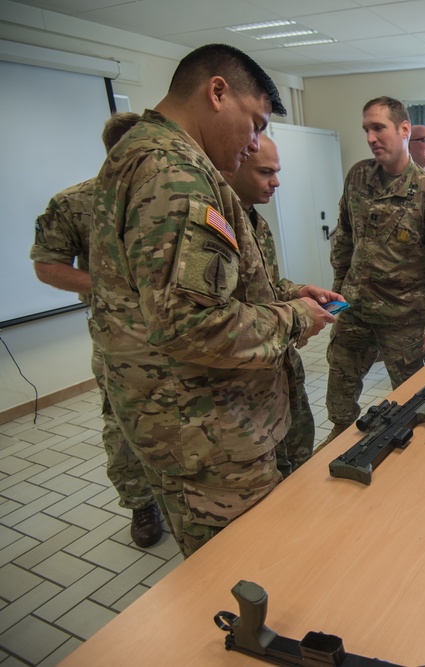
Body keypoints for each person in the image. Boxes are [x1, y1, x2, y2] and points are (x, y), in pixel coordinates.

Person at [89, 44, 339, 557]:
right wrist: (295, 318)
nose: (254, 144)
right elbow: (192, 325)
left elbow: (201, 290)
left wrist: (290, 293)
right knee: (246, 573)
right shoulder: (177, 174)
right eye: (255, 122)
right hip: (206, 433)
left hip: (190, 423)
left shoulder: (142, 154)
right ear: (217, 92)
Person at [30, 112, 163, 549]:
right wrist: (112, 286)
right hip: (119, 340)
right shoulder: (75, 203)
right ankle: (141, 503)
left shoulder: (169, 194)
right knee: (124, 423)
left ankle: (181, 486)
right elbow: (48, 267)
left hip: (176, 332)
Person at [324, 97, 425, 442]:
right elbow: (344, 239)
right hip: (354, 310)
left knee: (414, 399)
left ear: (403, 130)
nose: (371, 137)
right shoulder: (358, 176)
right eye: (367, 129)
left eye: (378, 128)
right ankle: (339, 442)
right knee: (339, 394)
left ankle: (412, 464)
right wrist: (338, 295)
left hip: (404, 319)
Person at [222, 134, 317, 476]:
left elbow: (266, 288)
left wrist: (301, 291)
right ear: (235, 165)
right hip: (243, 385)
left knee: (299, 458)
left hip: (277, 368)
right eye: (265, 172)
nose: (276, 182)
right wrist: (299, 315)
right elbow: (215, 318)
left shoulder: (254, 222)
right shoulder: (216, 224)